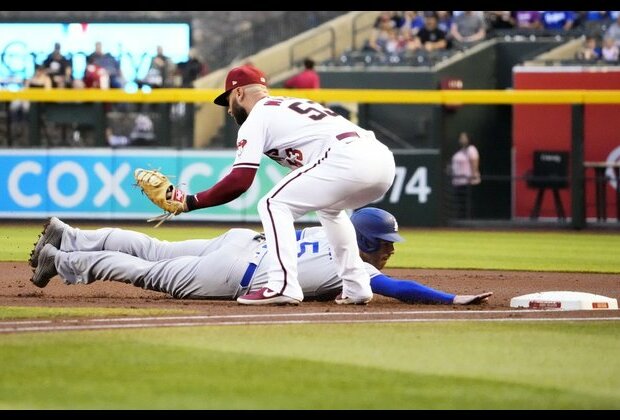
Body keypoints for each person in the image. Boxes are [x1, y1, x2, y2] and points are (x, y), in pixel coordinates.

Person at [147, 64, 396, 306]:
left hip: (348, 158)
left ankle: (282, 284)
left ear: (239, 93)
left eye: (228, 102)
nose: (229, 111)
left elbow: (239, 181)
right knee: (330, 211)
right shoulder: (287, 106)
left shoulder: (257, 116)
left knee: (272, 203)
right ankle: (356, 286)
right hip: (382, 160)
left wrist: (190, 202)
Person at [27, 208, 492, 305]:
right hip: (234, 269)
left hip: (241, 242)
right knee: (150, 271)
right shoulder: (355, 266)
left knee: (154, 247)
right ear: (367, 244)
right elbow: (400, 290)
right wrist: (451, 300)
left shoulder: (331, 224)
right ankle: (61, 259)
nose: (392, 251)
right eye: (387, 243)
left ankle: (71, 234)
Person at [450, 132, 480, 219]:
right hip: (458, 181)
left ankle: (469, 221)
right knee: (459, 203)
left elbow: (474, 162)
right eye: (461, 138)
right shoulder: (459, 151)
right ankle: (460, 219)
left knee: (468, 203)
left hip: (467, 181)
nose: (462, 140)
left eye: (464, 138)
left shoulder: (471, 149)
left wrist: (473, 175)